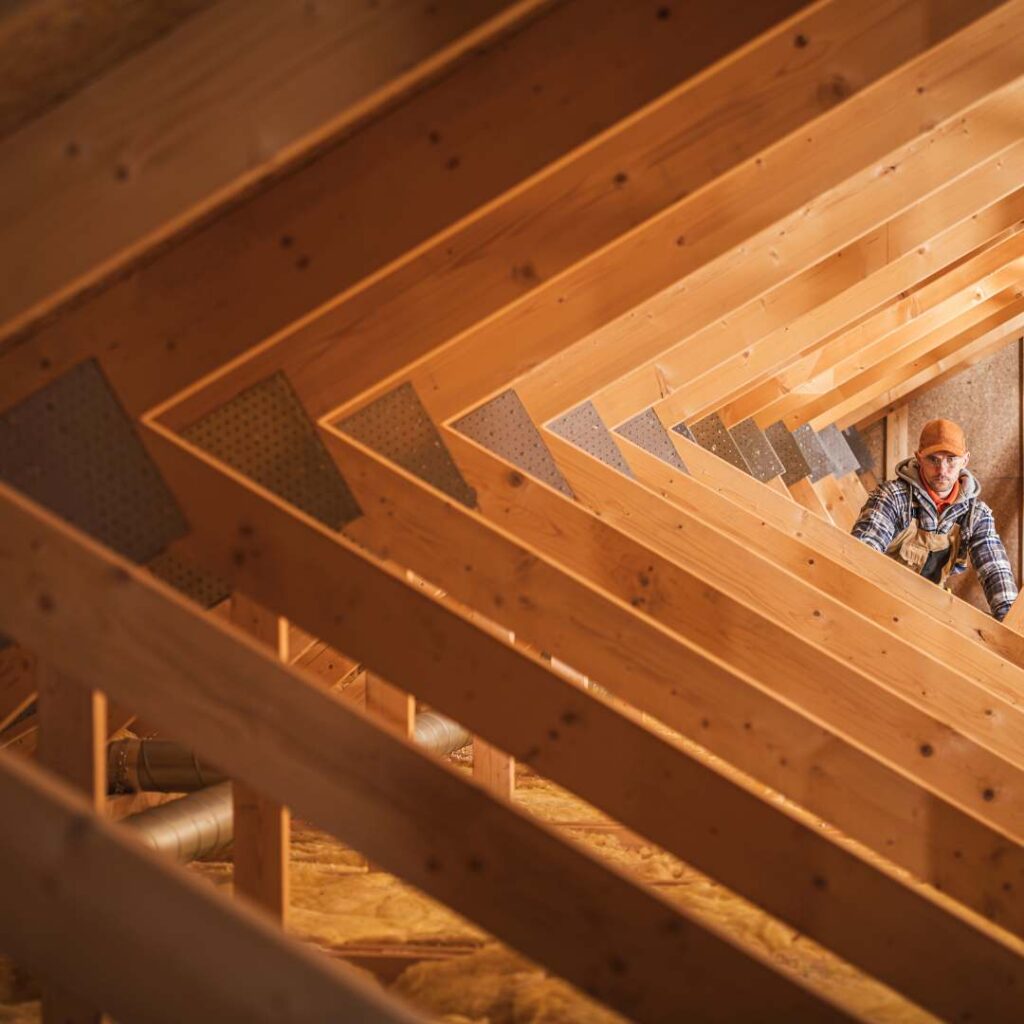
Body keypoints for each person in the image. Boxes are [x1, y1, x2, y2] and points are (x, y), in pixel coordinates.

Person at [851, 417, 1017, 620]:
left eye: (950, 460)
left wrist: (1012, 625)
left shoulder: (976, 515)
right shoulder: (892, 497)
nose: (942, 470)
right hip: (882, 605)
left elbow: (994, 568)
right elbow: (863, 552)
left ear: (965, 460)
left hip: (931, 613)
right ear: (919, 458)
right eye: (933, 460)